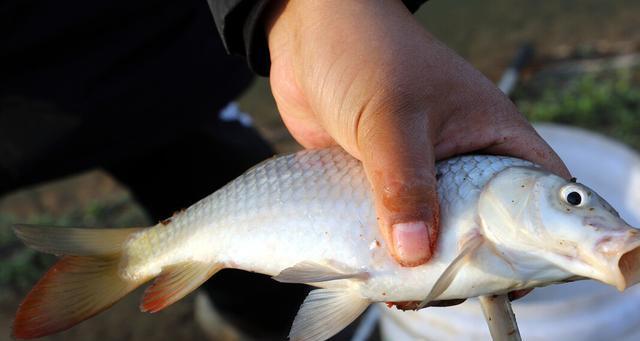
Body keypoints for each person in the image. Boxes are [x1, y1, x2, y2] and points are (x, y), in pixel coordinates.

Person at [1, 0, 570, 338]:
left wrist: (307, 8)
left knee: (199, 167)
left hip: (154, 62)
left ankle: (239, 307)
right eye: (568, 199)